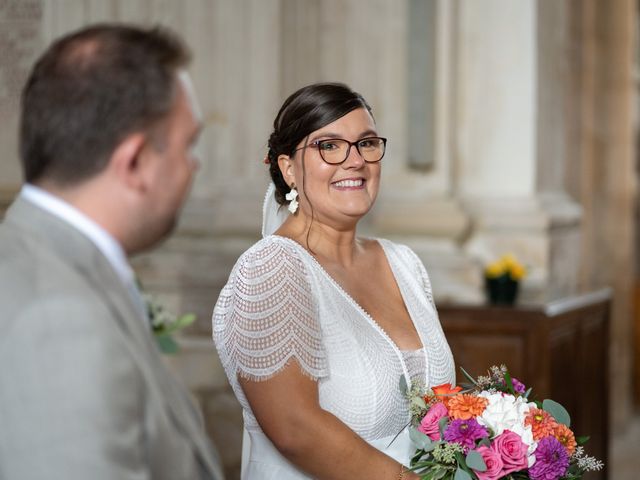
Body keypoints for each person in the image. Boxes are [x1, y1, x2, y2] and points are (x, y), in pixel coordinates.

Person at [0, 24, 224, 480]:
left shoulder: (42, 257)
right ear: (136, 162)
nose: (194, 165)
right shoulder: (59, 322)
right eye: (188, 145)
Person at [213, 82, 455, 479]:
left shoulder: (403, 263)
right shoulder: (272, 268)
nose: (355, 160)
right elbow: (294, 429)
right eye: (329, 146)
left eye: (366, 143)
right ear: (288, 168)